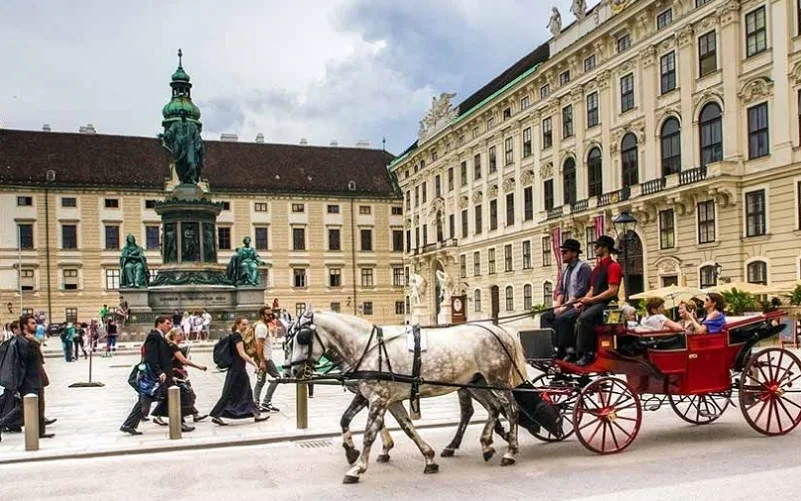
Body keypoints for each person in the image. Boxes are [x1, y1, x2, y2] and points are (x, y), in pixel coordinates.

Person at [571, 235, 623, 366]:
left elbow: (612, 290)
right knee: (573, 317)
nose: (595, 248)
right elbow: (592, 289)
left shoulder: (614, 266)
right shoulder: (597, 268)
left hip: (608, 305)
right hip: (596, 303)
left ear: (605, 249)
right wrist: (583, 301)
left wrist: (591, 300)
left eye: (597, 246)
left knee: (584, 318)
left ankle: (587, 353)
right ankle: (572, 351)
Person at [120, 315, 176, 435]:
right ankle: (177, 421)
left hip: (160, 374)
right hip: (154, 375)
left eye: (170, 323)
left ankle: (129, 424)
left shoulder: (160, 337)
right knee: (149, 398)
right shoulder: (154, 337)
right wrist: (159, 372)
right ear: (159, 324)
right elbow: (151, 357)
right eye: (167, 323)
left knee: (149, 399)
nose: (170, 326)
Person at [0, 315, 54, 439]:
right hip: (28, 380)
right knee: (24, 408)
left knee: (40, 406)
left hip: (37, 377)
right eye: (33, 323)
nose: (35, 325)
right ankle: (2, 423)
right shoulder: (21, 341)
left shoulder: (29, 339)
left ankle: (40, 432)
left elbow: (39, 359)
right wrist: (34, 343)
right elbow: (23, 360)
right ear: (25, 325)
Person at [209, 317, 270, 426]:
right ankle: (217, 414)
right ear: (237, 325)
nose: (245, 327)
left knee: (244, 392)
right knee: (232, 392)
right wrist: (254, 364)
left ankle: (256, 414)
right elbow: (242, 353)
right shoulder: (237, 336)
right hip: (238, 369)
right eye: (243, 324)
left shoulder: (234, 335)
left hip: (236, 368)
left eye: (246, 324)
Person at [540, 239, 591, 360]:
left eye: (565, 252)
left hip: (579, 304)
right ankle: (552, 346)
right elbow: (561, 290)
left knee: (563, 318)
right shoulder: (566, 270)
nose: (562, 254)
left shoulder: (583, 268)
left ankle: (569, 349)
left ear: (574, 253)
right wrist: (558, 305)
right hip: (567, 304)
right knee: (545, 317)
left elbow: (581, 291)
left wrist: (565, 306)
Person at [151, 328, 208, 429]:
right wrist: (199, 367)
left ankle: (194, 414)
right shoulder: (173, 346)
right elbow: (184, 361)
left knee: (184, 394)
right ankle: (165, 416)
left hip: (177, 373)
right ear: (175, 335)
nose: (182, 336)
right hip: (176, 374)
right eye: (180, 334)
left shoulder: (171, 345)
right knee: (183, 394)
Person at [253, 307, 281, 413]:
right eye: (268, 315)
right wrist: (262, 361)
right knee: (277, 377)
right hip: (265, 358)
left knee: (260, 381)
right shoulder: (261, 327)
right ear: (262, 315)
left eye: (271, 314)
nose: (271, 316)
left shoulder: (262, 326)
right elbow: (259, 345)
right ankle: (265, 402)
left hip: (263, 358)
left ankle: (256, 404)